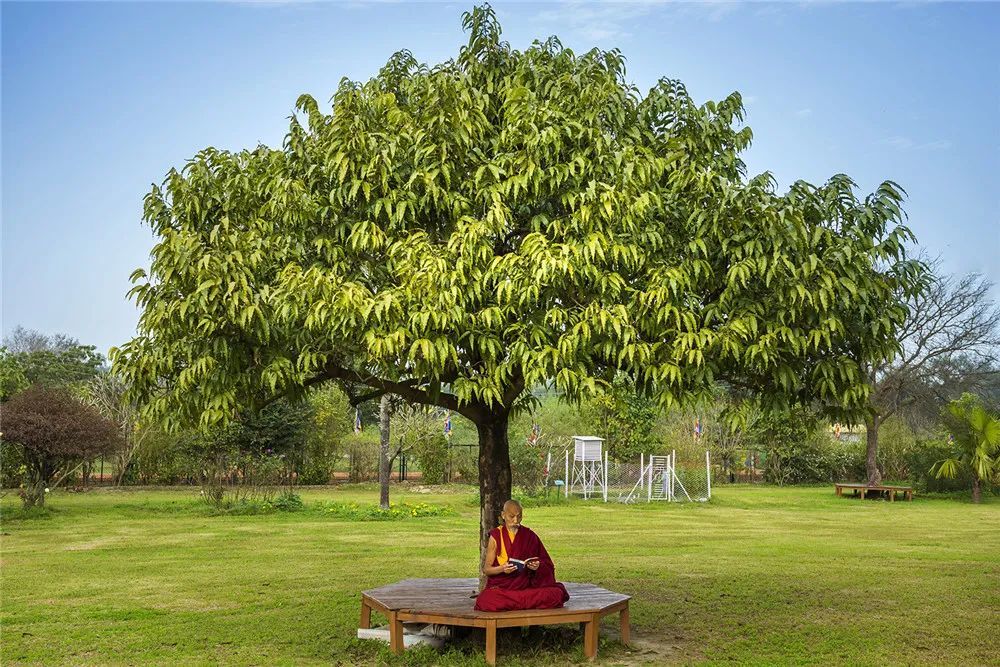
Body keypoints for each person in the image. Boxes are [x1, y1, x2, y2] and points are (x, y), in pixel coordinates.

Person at [474, 499, 570, 612]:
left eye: (519, 517)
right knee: (487, 598)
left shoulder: (529, 535)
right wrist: (502, 568)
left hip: (526, 587)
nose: (516, 520)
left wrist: (537, 566)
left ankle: (514, 604)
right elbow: (487, 569)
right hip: (504, 589)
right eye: (512, 516)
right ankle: (524, 603)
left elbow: (547, 563)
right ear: (503, 515)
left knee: (557, 593)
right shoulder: (496, 536)